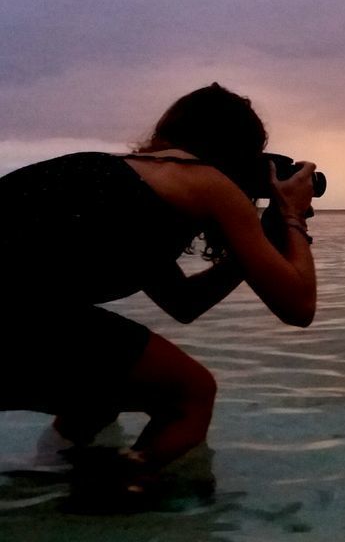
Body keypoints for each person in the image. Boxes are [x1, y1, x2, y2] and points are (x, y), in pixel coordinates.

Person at [0, 83, 317, 498]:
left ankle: (44, 478)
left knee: (102, 391)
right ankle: (108, 494)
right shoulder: (205, 181)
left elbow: (183, 303)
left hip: (21, 313)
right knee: (191, 392)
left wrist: (256, 242)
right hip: (18, 313)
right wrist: (292, 216)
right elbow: (298, 306)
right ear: (240, 153)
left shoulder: (120, 181)